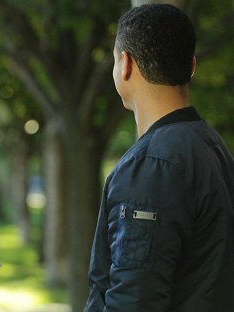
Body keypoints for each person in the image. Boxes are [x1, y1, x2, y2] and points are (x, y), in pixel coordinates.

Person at [84, 4, 234, 312]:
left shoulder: (152, 165)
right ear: (191, 65)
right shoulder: (212, 145)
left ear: (125, 64)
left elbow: (135, 299)